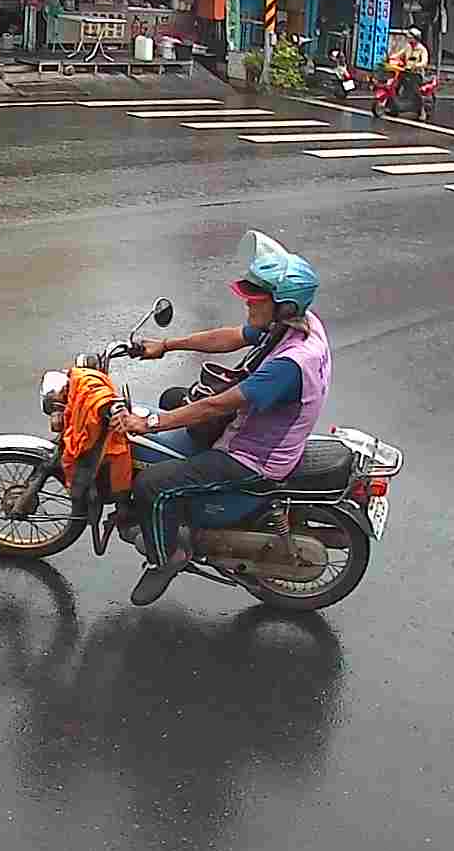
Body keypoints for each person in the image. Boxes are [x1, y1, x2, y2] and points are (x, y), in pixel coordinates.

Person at [109, 231, 330, 606]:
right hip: (260, 430)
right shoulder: (296, 324)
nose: (247, 304)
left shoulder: (289, 365)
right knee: (173, 398)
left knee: (151, 486)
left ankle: (167, 557)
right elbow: (230, 337)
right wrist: (166, 345)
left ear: (283, 307)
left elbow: (218, 406)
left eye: (255, 299)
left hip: (253, 458)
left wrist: (149, 424)